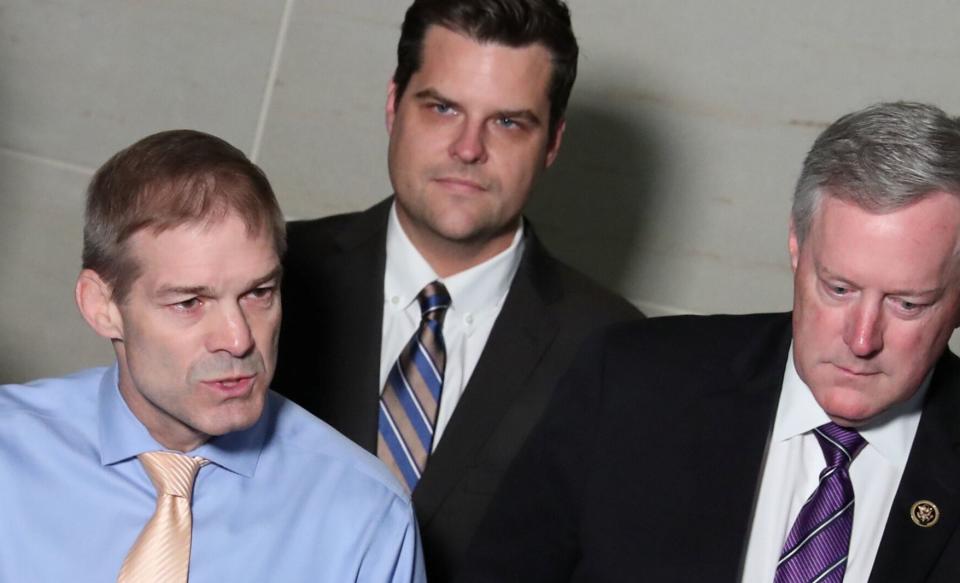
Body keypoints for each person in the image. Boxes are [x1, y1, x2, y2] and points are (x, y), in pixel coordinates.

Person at [458, 101, 960, 582]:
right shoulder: (631, 384)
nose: (862, 338)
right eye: (839, 288)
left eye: (906, 304)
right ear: (796, 246)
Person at [272, 0, 641, 579]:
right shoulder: (272, 275)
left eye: (508, 122)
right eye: (443, 108)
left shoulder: (618, 354)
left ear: (552, 144)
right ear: (394, 106)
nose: (469, 149)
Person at [0, 130, 425, 582]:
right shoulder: (10, 452)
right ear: (101, 307)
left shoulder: (367, 517)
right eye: (190, 303)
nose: (238, 339)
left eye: (259, 293)